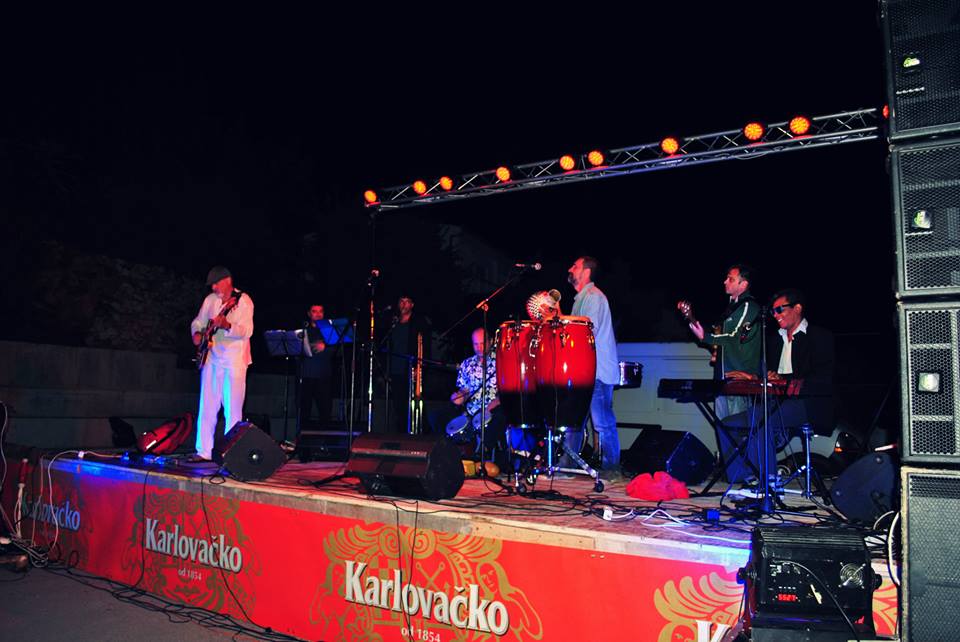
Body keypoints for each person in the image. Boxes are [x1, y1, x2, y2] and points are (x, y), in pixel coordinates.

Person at [724, 288, 835, 483]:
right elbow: (767, 375)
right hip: (776, 403)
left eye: (779, 310)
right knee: (728, 424)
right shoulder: (774, 341)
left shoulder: (819, 337)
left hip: (807, 404)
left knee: (763, 422)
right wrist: (752, 377)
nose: (775, 315)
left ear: (797, 308)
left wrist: (782, 379)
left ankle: (769, 482)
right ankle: (743, 478)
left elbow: (822, 378)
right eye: (773, 311)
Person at [561, 256, 621, 480]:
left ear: (586, 272)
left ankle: (612, 468)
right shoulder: (581, 299)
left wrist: (559, 317)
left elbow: (586, 331)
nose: (570, 268)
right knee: (574, 421)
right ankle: (567, 465)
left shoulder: (594, 297)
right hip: (585, 372)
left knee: (602, 422)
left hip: (598, 373)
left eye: (575, 266)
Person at [189, 266, 254, 462]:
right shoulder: (210, 300)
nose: (214, 287)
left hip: (234, 360)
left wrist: (227, 325)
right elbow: (198, 321)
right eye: (212, 285)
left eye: (216, 283)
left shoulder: (243, 301)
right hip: (211, 357)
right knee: (207, 406)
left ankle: (231, 454)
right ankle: (203, 451)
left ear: (227, 281)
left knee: (232, 409)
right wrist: (197, 333)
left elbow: (247, 331)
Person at [687, 264, 761, 419]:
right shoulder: (732, 308)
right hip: (723, 378)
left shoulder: (748, 306)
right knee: (723, 427)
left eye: (730, 279)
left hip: (739, 379)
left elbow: (735, 337)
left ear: (743, 284)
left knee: (737, 428)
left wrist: (705, 337)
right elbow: (722, 340)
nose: (725, 281)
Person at [384, 294, 430, 433]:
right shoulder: (394, 322)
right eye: (401, 301)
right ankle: (402, 433)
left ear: (412, 305)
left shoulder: (419, 322)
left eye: (407, 301)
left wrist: (419, 367)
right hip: (395, 368)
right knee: (398, 405)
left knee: (414, 402)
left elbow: (425, 346)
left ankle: (421, 433)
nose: (404, 304)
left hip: (411, 368)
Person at [299, 303, 333, 438]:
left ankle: (325, 443)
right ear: (309, 314)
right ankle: (303, 443)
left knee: (325, 412)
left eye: (320, 311)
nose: (318, 314)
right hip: (306, 375)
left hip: (323, 376)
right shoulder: (303, 330)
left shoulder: (329, 330)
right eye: (314, 311)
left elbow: (338, 351)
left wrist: (325, 347)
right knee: (304, 412)